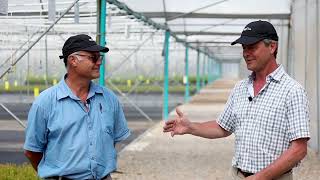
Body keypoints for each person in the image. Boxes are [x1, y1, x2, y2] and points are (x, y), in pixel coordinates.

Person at [163, 20, 310, 180]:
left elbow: (299, 149)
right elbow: (223, 127)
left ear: (272, 47)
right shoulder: (240, 88)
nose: (246, 53)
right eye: (244, 47)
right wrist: (191, 127)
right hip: (237, 175)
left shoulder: (292, 91)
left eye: (252, 47)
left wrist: (260, 177)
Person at [24, 34, 130, 180]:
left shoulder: (109, 99)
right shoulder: (45, 102)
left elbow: (112, 140)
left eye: (100, 57)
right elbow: (32, 151)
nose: (99, 62)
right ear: (73, 60)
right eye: (93, 57)